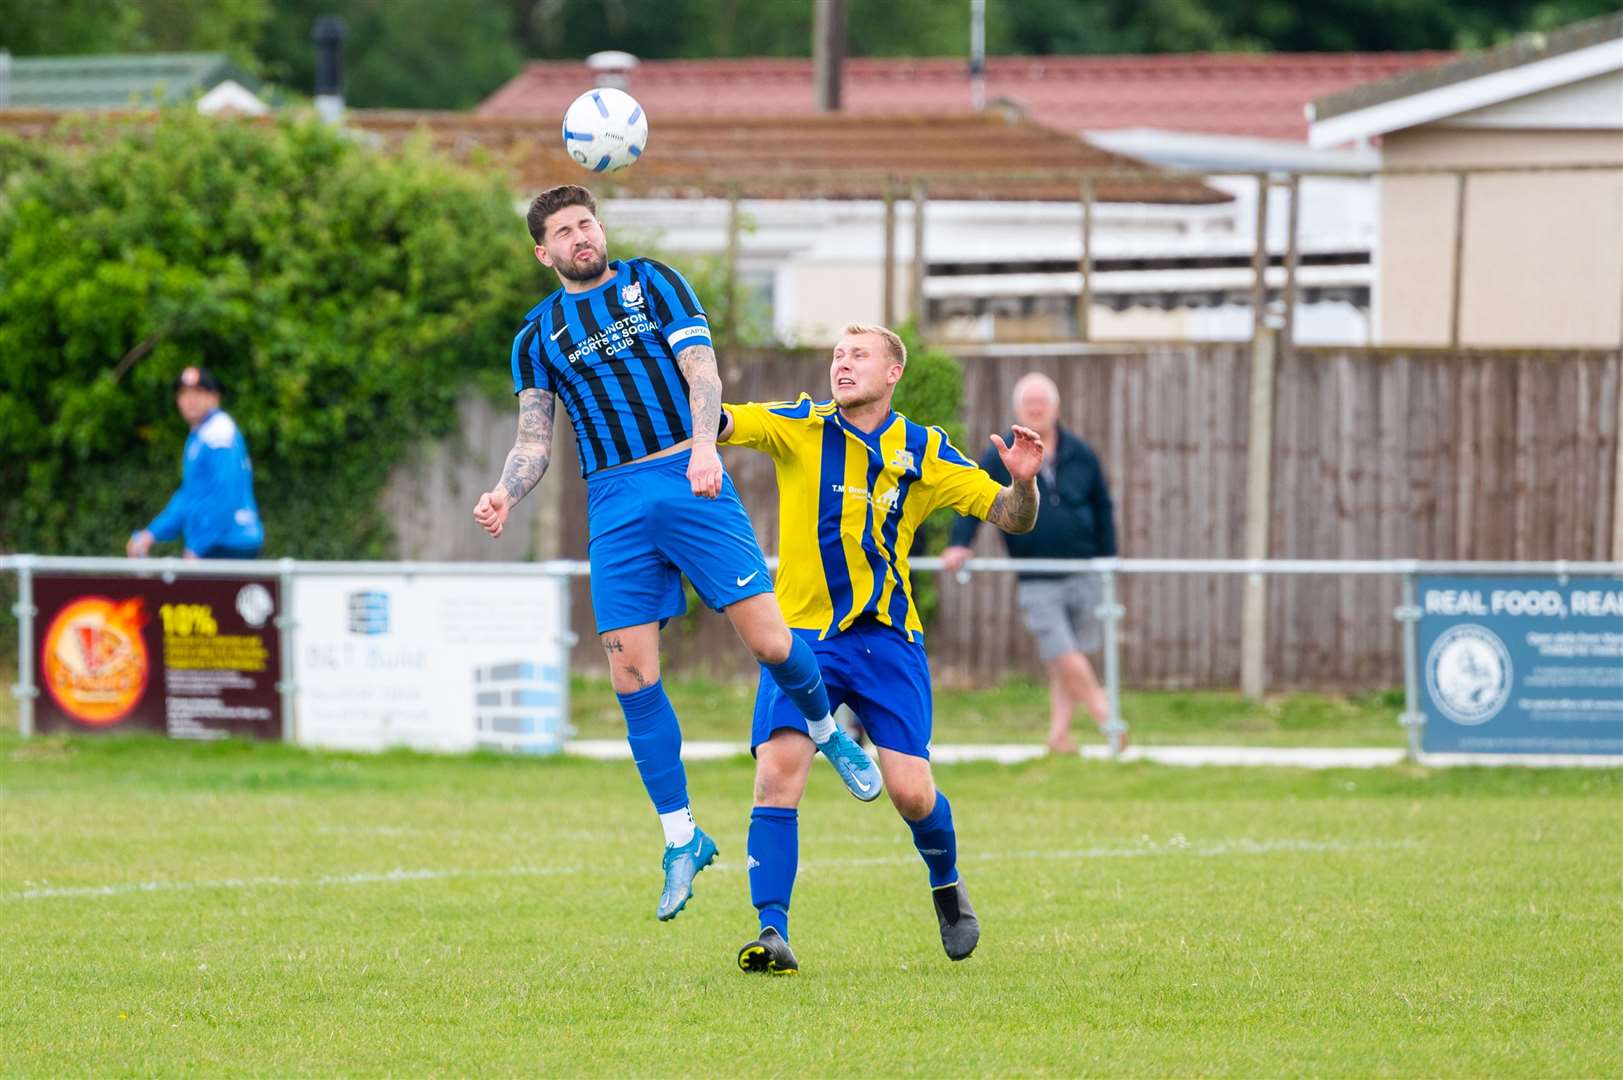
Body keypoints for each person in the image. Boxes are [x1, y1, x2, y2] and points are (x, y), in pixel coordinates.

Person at [472, 185, 881, 923]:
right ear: (544, 253)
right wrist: (505, 492)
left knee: (769, 640)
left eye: (586, 222)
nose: (580, 237)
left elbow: (703, 374)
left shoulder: (651, 283)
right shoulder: (535, 337)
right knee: (629, 675)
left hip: (687, 478)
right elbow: (534, 439)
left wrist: (702, 448)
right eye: (563, 232)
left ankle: (828, 734)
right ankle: (681, 838)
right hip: (612, 503)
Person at [718, 323, 1043, 974]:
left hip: (885, 640)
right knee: (776, 773)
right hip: (801, 635)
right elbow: (724, 423)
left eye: (858, 355)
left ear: (892, 372)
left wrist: (1025, 483)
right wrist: (685, 389)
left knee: (911, 794)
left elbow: (1012, 517)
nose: (842, 364)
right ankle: (772, 932)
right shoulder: (800, 426)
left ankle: (946, 883)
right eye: (837, 354)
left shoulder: (923, 449)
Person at [942, 372, 1118, 754]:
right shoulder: (1001, 454)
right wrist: (960, 544)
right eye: (1029, 403)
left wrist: (1107, 560)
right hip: (1037, 575)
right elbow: (976, 497)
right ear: (1017, 410)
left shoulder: (1081, 453)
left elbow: (1102, 507)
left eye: (1042, 403)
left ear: (1055, 408)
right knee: (1061, 650)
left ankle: (1059, 735)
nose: (1036, 409)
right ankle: (1109, 718)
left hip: (1083, 569)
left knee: (1067, 656)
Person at [127, 365, 264, 561]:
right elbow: (189, 497)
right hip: (218, 544)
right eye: (184, 393)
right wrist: (152, 534)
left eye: (198, 393)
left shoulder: (219, 432)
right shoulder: (200, 435)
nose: (190, 400)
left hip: (229, 544)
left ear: (214, 398)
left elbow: (225, 494)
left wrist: (197, 547)